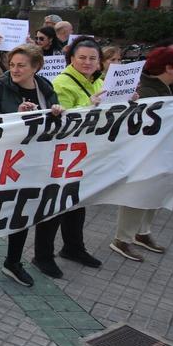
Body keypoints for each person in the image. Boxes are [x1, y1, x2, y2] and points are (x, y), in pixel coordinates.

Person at [0, 44, 66, 287]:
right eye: (12, 64)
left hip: (33, 164)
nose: (14, 69)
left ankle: (13, 262)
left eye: (21, 65)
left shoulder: (45, 88)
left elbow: (55, 128)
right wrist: (15, 115)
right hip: (2, 165)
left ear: (36, 67)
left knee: (22, 214)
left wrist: (55, 112)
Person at [111, 46, 173, 261]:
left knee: (157, 192)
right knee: (139, 194)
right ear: (168, 68)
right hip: (147, 155)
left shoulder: (170, 88)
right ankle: (123, 238)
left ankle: (142, 233)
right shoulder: (148, 90)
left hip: (166, 153)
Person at [46, 38, 108, 271]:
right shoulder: (62, 83)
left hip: (87, 153)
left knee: (78, 202)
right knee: (57, 205)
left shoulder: (99, 81)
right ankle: (44, 255)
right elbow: (61, 119)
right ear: (71, 59)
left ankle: (74, 247)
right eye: (82, 57)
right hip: (65, 153)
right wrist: (89, 107)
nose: (87, 62)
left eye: (93, 58)